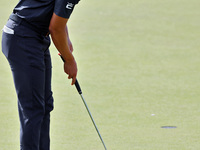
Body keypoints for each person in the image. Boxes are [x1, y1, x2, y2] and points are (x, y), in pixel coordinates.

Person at [1, 0, 80, 149]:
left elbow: (58, 15)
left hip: (36, 37)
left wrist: (66, 38)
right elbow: (55, 29)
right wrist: (69, 60)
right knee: (33, 108)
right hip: (23, 37)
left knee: (44, 105)